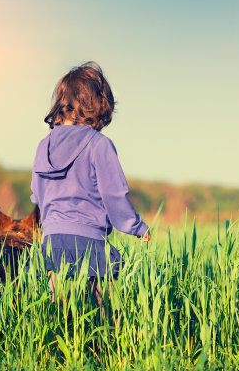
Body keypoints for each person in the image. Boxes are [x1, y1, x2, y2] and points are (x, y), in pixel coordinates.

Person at [30, 61, 150, 305]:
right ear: (98, 104)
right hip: (90, 241)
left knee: (61, 316)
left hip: (53, 241)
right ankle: (110, 344)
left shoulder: (44, 145)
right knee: (108, 314)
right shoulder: (99, 144)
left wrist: (52, 223)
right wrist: (136, 227)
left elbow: (38, 195)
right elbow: (114, 195)